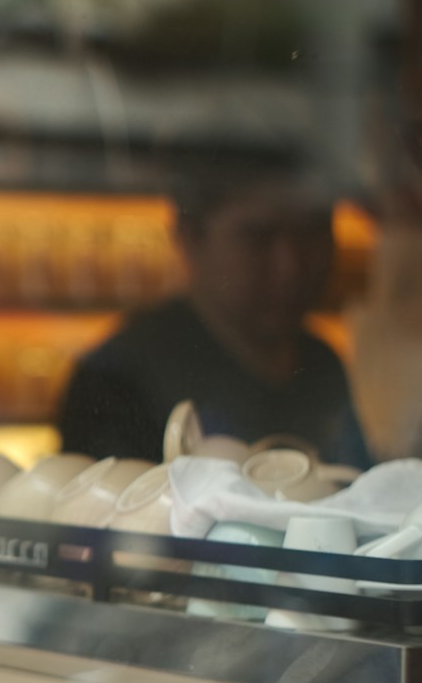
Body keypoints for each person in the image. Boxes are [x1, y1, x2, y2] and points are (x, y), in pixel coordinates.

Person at [57, 168, 371, 467]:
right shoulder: (118, 377)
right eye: (258, 236)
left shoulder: (325, 365)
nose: (291, 265)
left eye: (311, 232)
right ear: (191, 236)